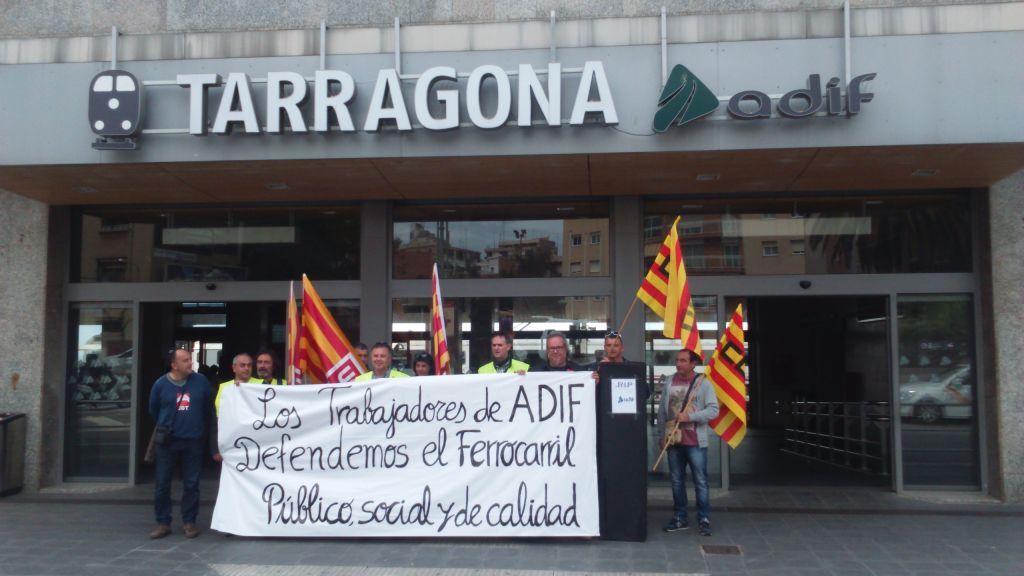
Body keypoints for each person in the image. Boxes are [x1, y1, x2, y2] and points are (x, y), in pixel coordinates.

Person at [148, 348, 214, 540]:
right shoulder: (160, 385)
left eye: (189, 359)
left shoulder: (200, 381)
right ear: (174, 365)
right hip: (168, 442)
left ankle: (189, 522)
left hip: (193, 441)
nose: (189, 363)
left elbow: (207, 407)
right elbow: (154, 410)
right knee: (162, 484)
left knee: (192, 484)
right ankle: (163, 522)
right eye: (185, 360)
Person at [658, 349, 719, 536]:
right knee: (677, 481)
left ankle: (704, 518)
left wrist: (690, 416)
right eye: (677, 360)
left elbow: (713, 410)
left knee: (700, 481)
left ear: (693, 364)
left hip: (694, 443)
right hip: (674, 441)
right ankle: (680, 517)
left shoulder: (703, 384)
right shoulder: (669, 382)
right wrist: (661, 435)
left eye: (683, 360)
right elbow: (662, 411)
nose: (678, 364)